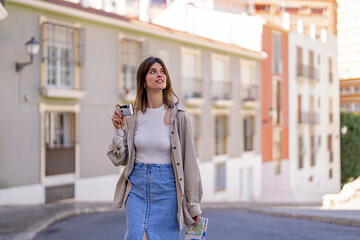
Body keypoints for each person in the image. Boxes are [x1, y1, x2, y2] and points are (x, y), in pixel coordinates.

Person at [107, 56, 203, 240]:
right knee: (137, 236)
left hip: (168, 189)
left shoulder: (179, 115)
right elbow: (120, 158)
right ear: (143, 81)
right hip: (137, 187)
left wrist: (194, 204)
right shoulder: (133, 116)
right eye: (153, 71)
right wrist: (118, 130)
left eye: (162, 71)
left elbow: (189, 161)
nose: (159, 75)